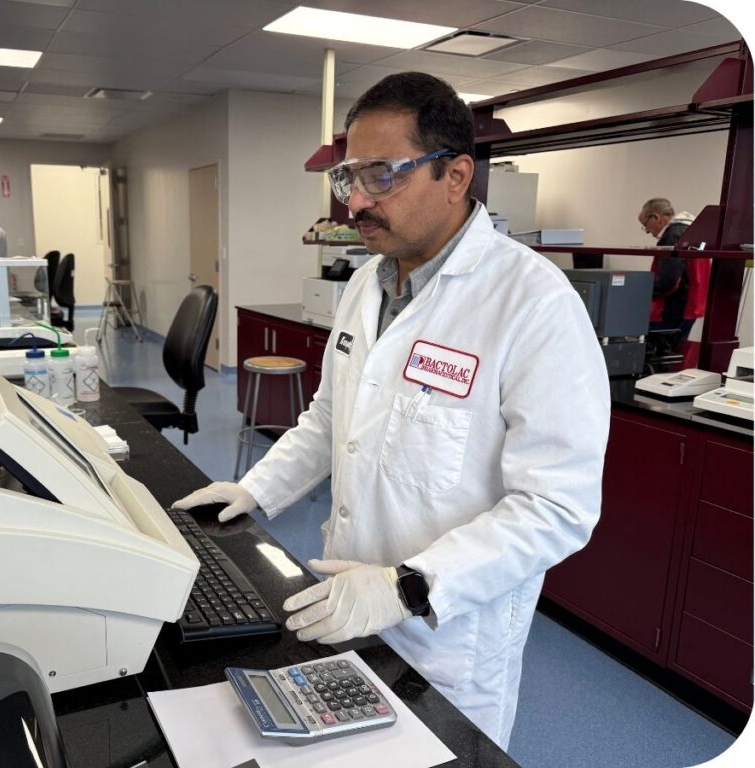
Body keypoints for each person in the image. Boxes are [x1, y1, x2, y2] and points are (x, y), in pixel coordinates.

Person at [173, 72, 610, 749]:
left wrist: (409, 587)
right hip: (345, 604)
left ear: (456, 174)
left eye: (383, 176)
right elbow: (328, 420)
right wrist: (254, 488)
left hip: (447, 640)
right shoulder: (365, 284)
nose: (357, 203)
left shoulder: (534, 306)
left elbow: (559, 508)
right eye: (351, 179)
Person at [637, 198, 708, 343]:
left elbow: (669, 280)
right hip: (691, 305)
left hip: (673, 308)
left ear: (656, 217)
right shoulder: (692, 230)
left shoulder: (672, 236)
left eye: (645, 225)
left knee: (657, 353)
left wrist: (642, 293)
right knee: (675, 352)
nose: (648, 231)